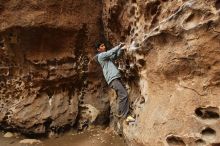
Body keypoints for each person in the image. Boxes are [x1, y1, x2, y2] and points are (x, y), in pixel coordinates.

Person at [95, 41, 135, 123]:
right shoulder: (101, 56)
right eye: (101, 46)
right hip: (112, 79)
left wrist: (121, 49)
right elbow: (111, 52)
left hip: (116, 77)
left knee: (122, 95)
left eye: (103, 45)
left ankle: (122, 113)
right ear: (98, 49)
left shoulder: (107, 57)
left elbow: (116, 56)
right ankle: (126, 116)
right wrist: (118, 46)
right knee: (124, 95)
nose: (104, 47)